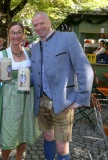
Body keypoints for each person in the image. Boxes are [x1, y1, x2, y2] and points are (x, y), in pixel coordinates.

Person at [31, 12, 93, 160]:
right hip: (42, 104)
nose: (39, 27)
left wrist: (81, 98)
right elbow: (35, 75)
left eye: (42, 23)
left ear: (50, 22)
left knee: (62, 147)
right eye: (35, 25)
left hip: (64, 103)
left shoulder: (68, 38)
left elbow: (84, 69)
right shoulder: (34, 47)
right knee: (47, 137)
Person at [0, 21, 41, 160]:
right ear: (9, 35)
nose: (16, 35)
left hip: (27, 96)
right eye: (13, 32)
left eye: (18, 32)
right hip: (10, 97)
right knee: (9, 130)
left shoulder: (28, 53)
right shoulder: (2, 54)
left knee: (24, 130)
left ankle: (19, 158)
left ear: (23, 34)